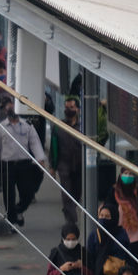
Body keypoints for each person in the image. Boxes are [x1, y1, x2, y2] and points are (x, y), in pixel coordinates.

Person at [0, 98, 47, 226]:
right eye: (9, 108)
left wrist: (40, 158)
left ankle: (18, 210)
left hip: (24, 164)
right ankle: (12, 221)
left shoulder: (27, 126)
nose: (12, 110)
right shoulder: (1, 127)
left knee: (28, 193)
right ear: (5, 111)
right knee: (9, 196)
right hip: (7, 165)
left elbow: (35, 142)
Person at [49, 95, 83, 225]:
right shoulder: (58, 126)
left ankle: (70, 211)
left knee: (76, 193)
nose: (69, 110)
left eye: (72, 107)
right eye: (67, 107)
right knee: (67, 193)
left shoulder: (83, 126)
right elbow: (53, 147)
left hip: (79, 166)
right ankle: (71, 220)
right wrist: (52, 166)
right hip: (64, 165)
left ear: (78, 109)